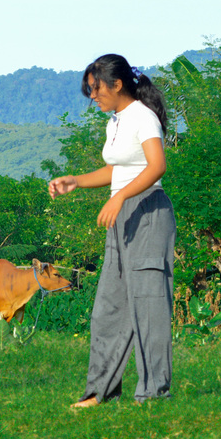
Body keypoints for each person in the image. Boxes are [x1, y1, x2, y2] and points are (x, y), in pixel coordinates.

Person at [48, 54, 176, 406]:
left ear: (117, 84)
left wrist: (120, 197)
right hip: (123, 217)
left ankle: (153, 394)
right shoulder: (116, 121)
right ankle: (100, 392)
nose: (92, 95)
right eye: (89, 89)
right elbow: (116, 169)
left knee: (148, 307)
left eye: (96, 88)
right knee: (109, 307)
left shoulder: (143, 116)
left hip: (149, 211)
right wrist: (76, 180)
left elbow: (156, 165)